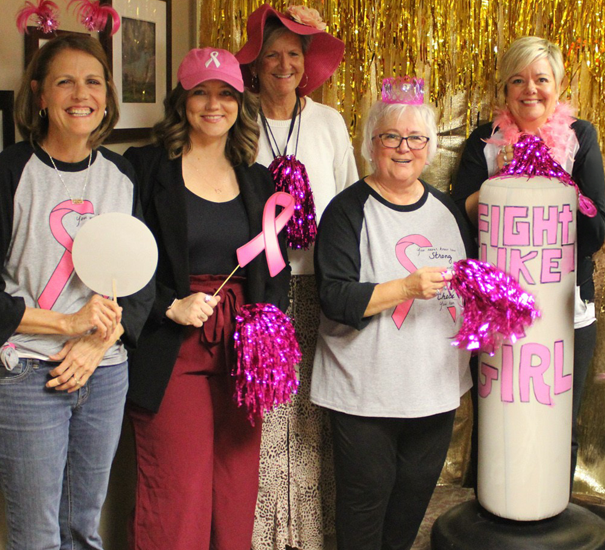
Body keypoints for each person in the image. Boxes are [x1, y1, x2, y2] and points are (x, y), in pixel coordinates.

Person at [0, 34, 152, 549]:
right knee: (36, 536)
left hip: (103, 377)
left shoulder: (121, 176)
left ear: (107, 94)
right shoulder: (12, 174)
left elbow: (142, 285)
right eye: (65, 81)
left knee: (83, 529)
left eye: (92, 81)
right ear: (39, 95)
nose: (80, 94)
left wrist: (96, 344)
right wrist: (66, 324)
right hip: (24, 378)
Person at [123, 48, 290, 550]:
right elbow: (124, 260)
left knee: (237, 493)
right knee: (178, 496)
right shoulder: (147, 168)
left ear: (240, 102)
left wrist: (268, 329)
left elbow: (271, 266)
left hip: (244, 356)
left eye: (225, 93)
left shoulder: (256, 177)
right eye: (200, 92)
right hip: (173, 346)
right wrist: (168, 305)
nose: (213, 104)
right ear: (182, 99)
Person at [312, 82, 475, 550]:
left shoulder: (446, 209)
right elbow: (335, 298)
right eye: (391, 137)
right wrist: (405, 288)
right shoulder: (347, 211)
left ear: (429, 148)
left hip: (435, 391)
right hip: (367, 395)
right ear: (370, 145)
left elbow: (465, 285)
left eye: (415, 138)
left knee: (409, 506)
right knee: (364, 511)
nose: (404, 148)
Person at [450, 36, 605, 483]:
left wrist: (551, 173)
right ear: (505, 90)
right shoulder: (484, 139)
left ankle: (554, 507)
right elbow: (461, 217)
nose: (530, 90)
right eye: (518, 80)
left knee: (559, 414)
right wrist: (506, 178)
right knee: (498, 412)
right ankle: (492, 506)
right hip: (499, 303)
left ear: (558, 86)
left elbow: (596, 231)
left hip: (565, 300)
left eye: (541, 79)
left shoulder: (581, 138)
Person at [235, 4, 357, 548]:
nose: (283, 64)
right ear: (255, 65)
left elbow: (353, 204)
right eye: (271, 55)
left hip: (322, 286)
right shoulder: (236, 120)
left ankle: (310, 532)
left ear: (305, 63)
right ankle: (264, 533)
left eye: (293, 54)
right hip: (260, 290)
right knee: (263, 411)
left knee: (313, 409)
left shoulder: (329, 122)